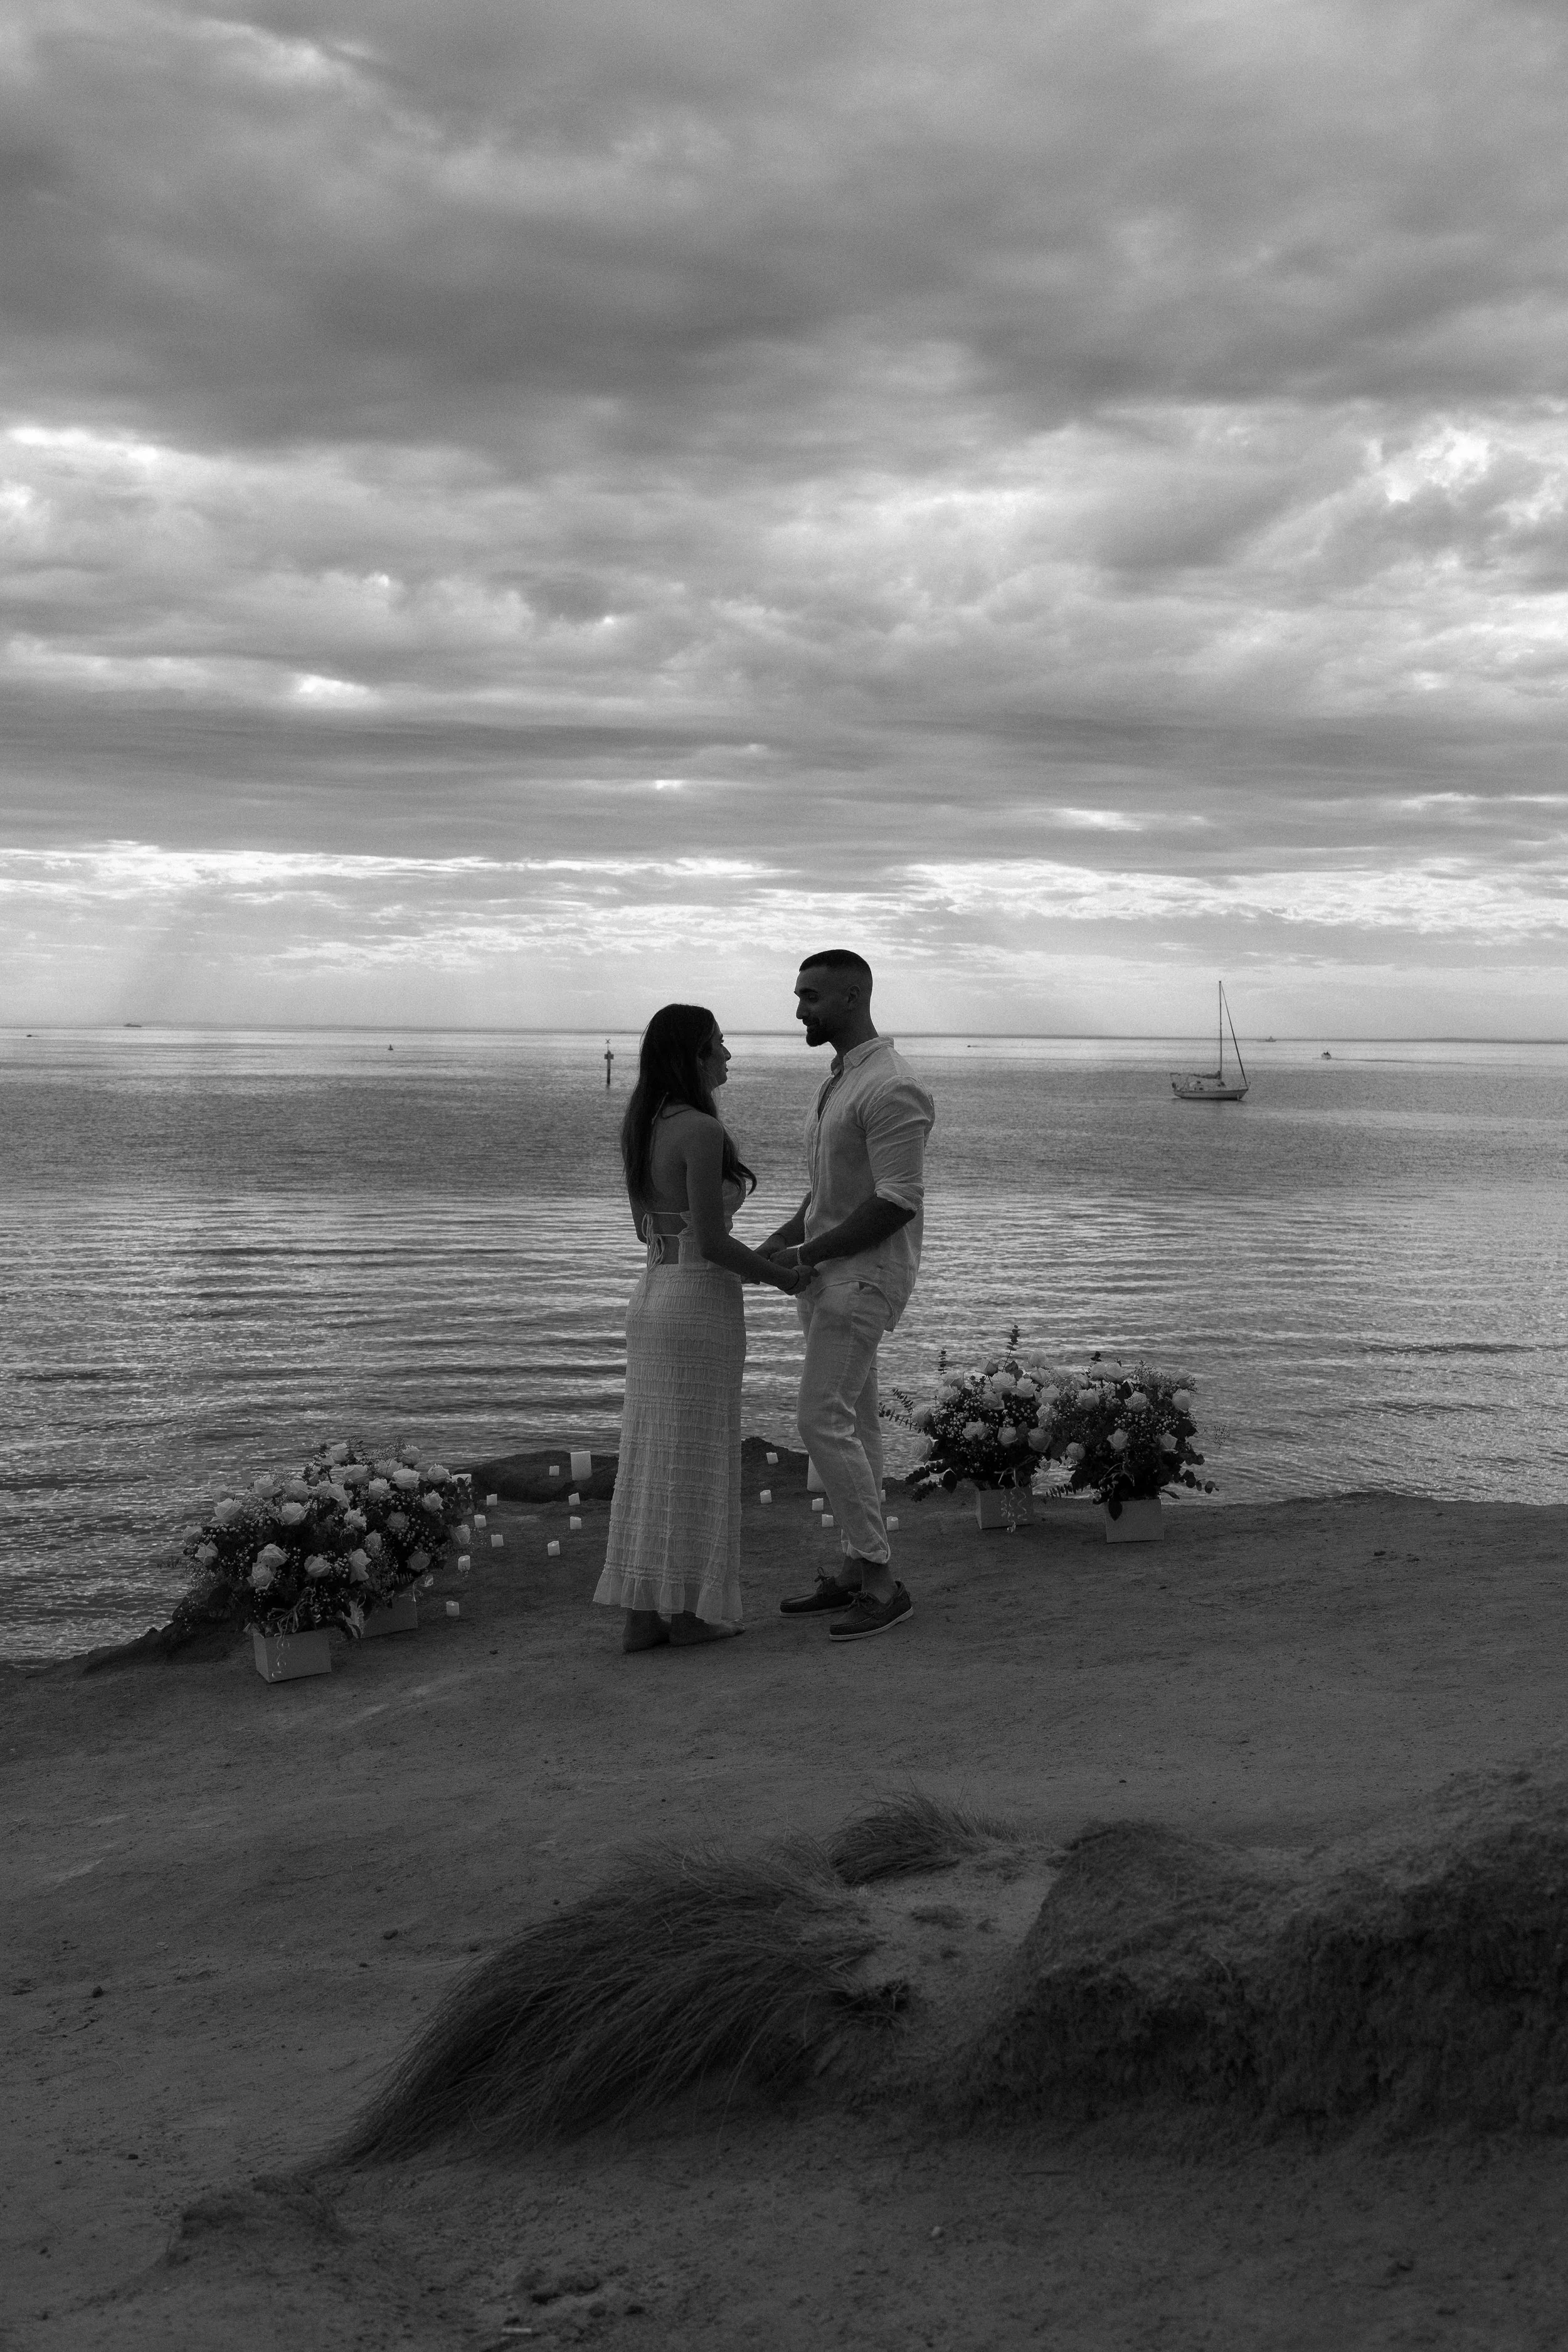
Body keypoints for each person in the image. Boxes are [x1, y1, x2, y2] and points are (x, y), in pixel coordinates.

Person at [595, 1004, 809, 1652]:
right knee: (698, 1454)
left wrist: (765, 1253)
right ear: (692, 1056)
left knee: (652, 1454)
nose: (728, 1056)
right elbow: (712, 1243)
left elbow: (653, 1231)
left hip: (653, 1293)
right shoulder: (699, 1130)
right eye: (719, 1044)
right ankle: (687, 1614)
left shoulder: (642, 1126)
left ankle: (641, 1612)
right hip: (697, 1304)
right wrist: (786, 1278)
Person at [760, 951, 935, 1641]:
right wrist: (777, 1242)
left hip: (861, 1280)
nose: (799, 1008)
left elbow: (895, 1202)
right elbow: (828, 1194)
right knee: (855, 1427)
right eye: (799, 995)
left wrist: (804, 1254)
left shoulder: (891, 1087)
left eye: (810, 996)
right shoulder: (843, 1081)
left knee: (818, 1419)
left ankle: (882, 1579)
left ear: (852, 995)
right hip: (829, 1275)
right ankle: (855, 1571)